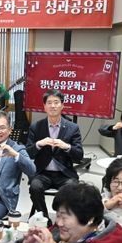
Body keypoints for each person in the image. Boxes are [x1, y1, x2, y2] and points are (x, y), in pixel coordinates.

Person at [27, 89, 84, 222]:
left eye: (56, 102)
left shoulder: (72, 128)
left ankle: (62, 219)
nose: (53, 106)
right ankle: (44, 219)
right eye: (49, 103)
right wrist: (39, 144)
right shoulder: (36, 127)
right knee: (35, 187)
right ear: (44, 106)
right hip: (42, 173)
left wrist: (66, 146)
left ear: (62, 105)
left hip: (64, 174)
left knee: (71, 188)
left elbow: (79, 155)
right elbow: (28, 153)